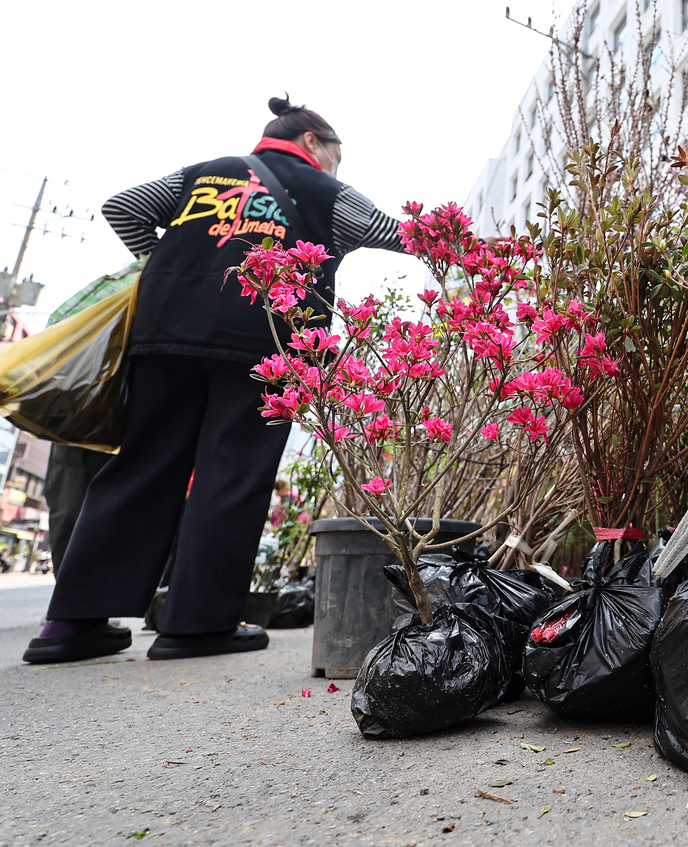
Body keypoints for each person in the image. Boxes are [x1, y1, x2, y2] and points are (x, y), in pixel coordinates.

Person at [24, 96, 405, 663]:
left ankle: (70, 626)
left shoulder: (205, 172)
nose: (335, 167)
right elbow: (391, 232)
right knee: (231, 472)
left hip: (166, 330)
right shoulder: (326, 193)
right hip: (264, 342)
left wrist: (168, 269)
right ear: (310, 144)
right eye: (335, 155)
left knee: (141, 463)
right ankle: (196, 626)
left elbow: (123, 206)